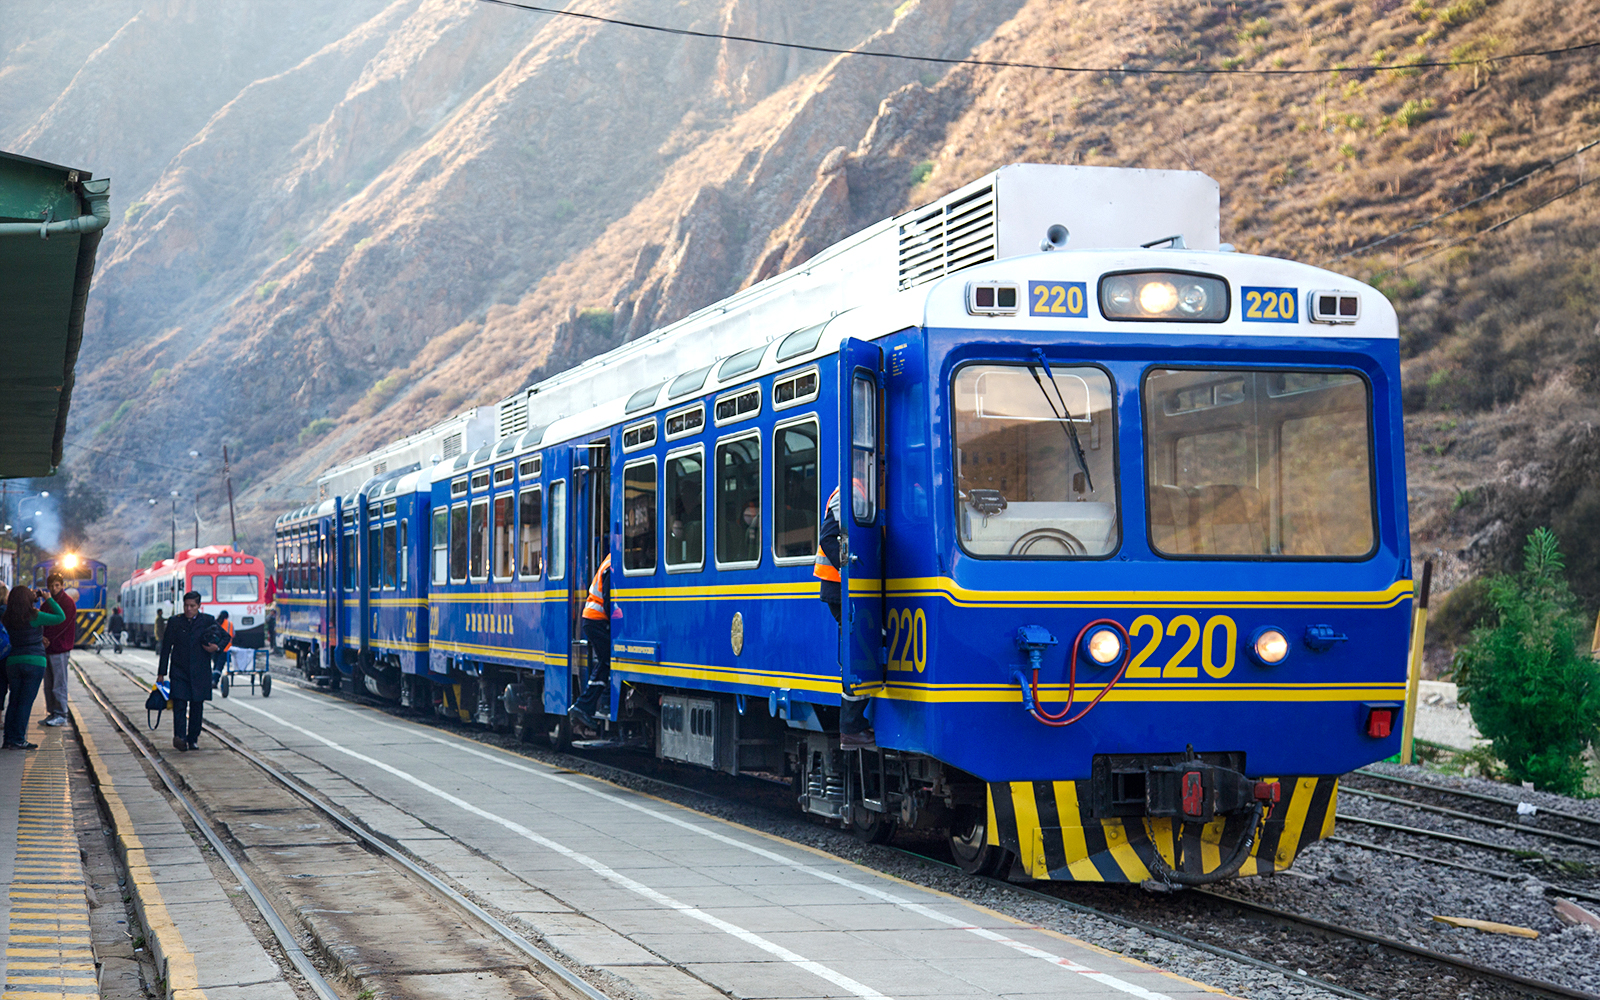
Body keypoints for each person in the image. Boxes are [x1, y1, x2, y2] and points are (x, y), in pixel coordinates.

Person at [816, 484, 874, 749]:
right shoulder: (850, 491)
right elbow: (828, 536)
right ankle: (851, 727)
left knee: (860, 646)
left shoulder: (861, 488)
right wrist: (849, 567)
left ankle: (854, 726)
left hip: (845, 588)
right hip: (841, 588)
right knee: (858, 650)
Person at [3, 586, 66, 749]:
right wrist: (49, 598)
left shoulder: (7, 618)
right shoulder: (35, 615)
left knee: (14, 700)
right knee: (25, 702)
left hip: (13, 662)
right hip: (34, 662)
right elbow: (60, 617)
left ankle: (9, 739)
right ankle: (18, 739)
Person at [157, 591, 220, 752]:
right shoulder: (175, 622)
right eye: (186, 606)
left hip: (200, 671)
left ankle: (193, 738)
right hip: (180, 670)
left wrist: (216, 647)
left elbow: (221, 637)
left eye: (192, 606)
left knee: (197, 705)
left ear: (199, 606)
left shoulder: (208, 621)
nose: (189, 609)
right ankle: (180, 737)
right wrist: (161, 673)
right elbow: (166, 648)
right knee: (179, 703)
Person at [569, 553, 612, 734]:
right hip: (596, 620)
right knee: (609, 660)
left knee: (605, 662)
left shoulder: (610, 560)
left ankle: (584, 707)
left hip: (593, 620)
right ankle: (583, 706)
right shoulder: (613, 565)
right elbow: (610, 602)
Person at [40, 572, 76, 728]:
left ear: (62, 585)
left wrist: (49, 639)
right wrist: (41, 637)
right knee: (48, 683)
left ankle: (61, 713)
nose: (54, 589)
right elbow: (40, 620)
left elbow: (64, 625)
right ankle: (52, 712)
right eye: (51, 586)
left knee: (59, 683)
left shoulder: (67, 603)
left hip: (60, 648)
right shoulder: (46, 603)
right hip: (47, 649)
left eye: (57, 585)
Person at [210, 610, 234, 689]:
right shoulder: (230, 624)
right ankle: (214, 680)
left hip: (215, 647)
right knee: (219, 666)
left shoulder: (216, 623)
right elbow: (233, 635)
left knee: (216, 664)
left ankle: (212, 680)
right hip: (225, 648)